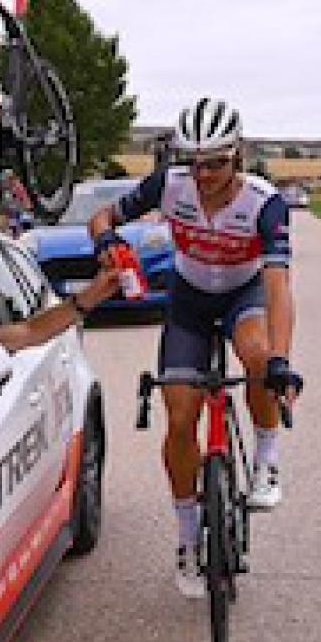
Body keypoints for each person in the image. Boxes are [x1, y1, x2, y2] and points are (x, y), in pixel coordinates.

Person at [88, 97, 303, 599]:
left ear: (239, 156)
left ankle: (267, 457)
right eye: (193, 162)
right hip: (188, 299)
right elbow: (102, 218)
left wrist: (281, 362)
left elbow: (277, 286)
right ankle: (187, 538)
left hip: (243, 294)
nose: (203, 173)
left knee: (256, 353)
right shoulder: (168, 186)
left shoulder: (263, 203)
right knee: (179, 414)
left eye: (216, 163)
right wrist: (107, 246)